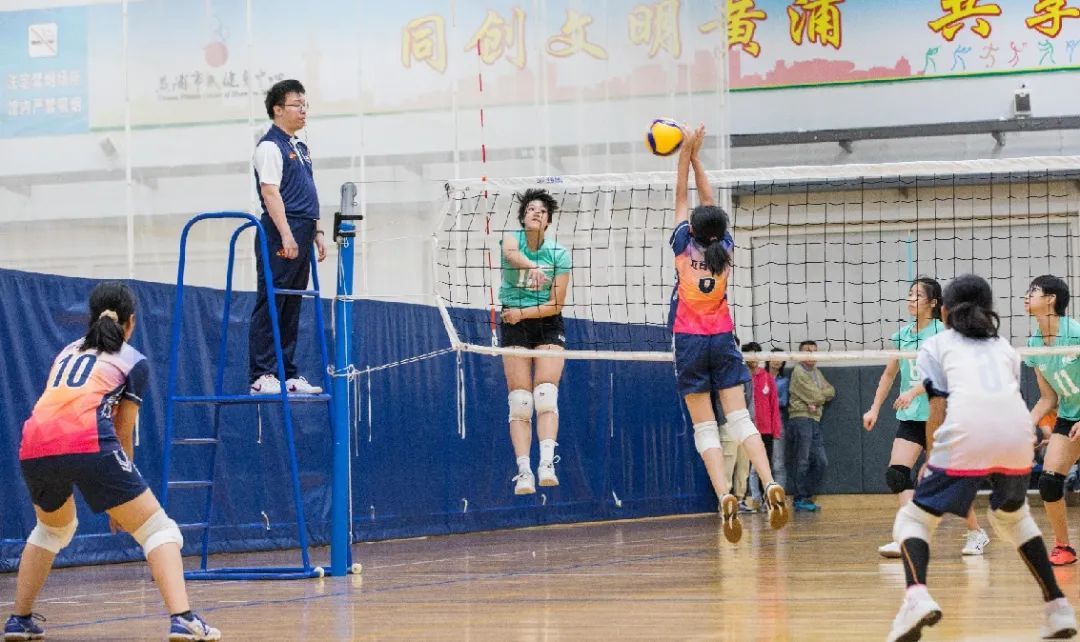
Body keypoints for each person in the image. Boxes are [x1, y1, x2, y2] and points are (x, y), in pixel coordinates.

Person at [6, 282, 220, 641]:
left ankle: (19, 619)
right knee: (158, 529)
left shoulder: (66, 352)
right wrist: (119, 499)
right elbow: (123, 431)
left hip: (33, 444)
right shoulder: (132, 359)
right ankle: (183, 618)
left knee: (51, 529)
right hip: (87, 440)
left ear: (90, 318)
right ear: (130, 322)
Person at [886, 274, 1076, 642]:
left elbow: (938, 409)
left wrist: (932, 456)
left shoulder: (936, 345)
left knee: (912, 520)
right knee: (1014, 518)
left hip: (967, 432)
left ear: (944, 311)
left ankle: (916, 598)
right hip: (1018, 435)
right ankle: (1057, 608)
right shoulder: (1004, 347)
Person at [669, 124, 787, 543]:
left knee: (705, 427)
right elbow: (708, 202)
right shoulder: (726, 249)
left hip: (689, 340)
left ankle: (724, 495)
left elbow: (684, 197)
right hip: (722, 338)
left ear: (694, 229)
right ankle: (770, 482)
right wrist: (699, 157)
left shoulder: (683, 245)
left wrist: (685, 153)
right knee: (739, 418)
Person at [863, 278, 989, 558]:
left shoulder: (943, 334)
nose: (910, 299)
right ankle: (909, 536)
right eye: (909, 294)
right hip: (911, 417)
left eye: (917, 295)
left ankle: (976, 532)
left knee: (947, 479)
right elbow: (889, 374)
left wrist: (913, 391)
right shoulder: (902, 336)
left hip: (940, 414)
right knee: (897, 474)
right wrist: (874, 408)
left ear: (933, 303)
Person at [249, 78, 327, 396]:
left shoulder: (301, 148)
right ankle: (262, 374)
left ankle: (287, 373)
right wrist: (285, 234)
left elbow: (309, 191)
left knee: (292, 303)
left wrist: (317, 231)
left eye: (305, 104)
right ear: (278, 109)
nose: (303, 110)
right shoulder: (270, 146)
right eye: (297, 104)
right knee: (273, 299)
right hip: (282, 231)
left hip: (303, 230)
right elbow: (270, 192)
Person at [499, 188, 572, 495]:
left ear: (548, 220)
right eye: (531, 209)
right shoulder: (512, 239)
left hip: (545, 321)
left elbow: (556, 304)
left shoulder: (559, 254)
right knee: (520, 402)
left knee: (545, 395)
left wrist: (523, 313)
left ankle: (546, 464)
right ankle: (524, 471)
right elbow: (510, 254)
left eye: (543, 211)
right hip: (513, 322)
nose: (537, 213)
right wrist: (534, 268)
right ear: (523, 216)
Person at [1024, 275, 1080, 565]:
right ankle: (1064, 547)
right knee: (1048, 482)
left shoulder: (1075, 334)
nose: (1026, 296)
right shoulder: (1034, 343)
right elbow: (1048, 398)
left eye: (1033, 291)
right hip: (1069, 416)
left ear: (1050, 299)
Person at [787, 340, 834, 512]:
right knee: (803, 460)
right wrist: (818, 397)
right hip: (801, 419)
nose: (812, 354)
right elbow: (817, 396)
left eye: (814, 351)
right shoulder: (799, 372)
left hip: (815, 419)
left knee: (821, 461)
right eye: (807, 351)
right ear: (800, 354)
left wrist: (817, 398)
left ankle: (806, 495)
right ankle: (799, 498)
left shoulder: (816, 372)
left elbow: (831, 391)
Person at [744, 342, 782, 512]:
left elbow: (774, 405)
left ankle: (767, 500)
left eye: (756, 355)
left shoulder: (767, 377)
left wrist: (776, 430)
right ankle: (753, 500)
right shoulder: (742, 377)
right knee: (749, 468)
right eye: (749, 355)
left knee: (765, 465)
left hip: (766, 430)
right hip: (747, 430)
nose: (753, 359)